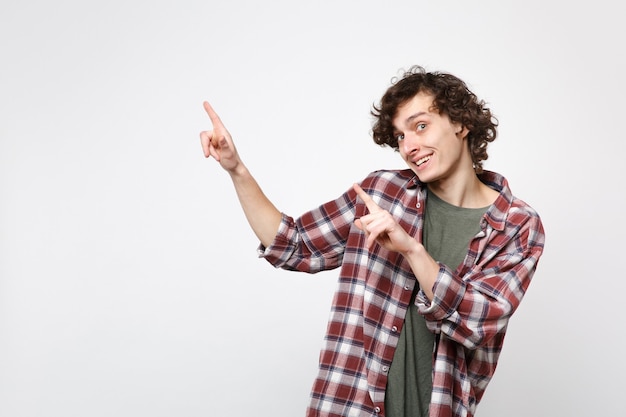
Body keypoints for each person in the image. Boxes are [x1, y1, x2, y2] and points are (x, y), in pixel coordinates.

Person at [199, 65, 545, 417]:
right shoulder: (381, 194)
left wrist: (411, 250)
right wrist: (236, 169)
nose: (409, 146)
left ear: (461, 123)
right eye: (399, 137)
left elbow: (476, 323)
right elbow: (294, 245)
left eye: (420, 126)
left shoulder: (517, 225)